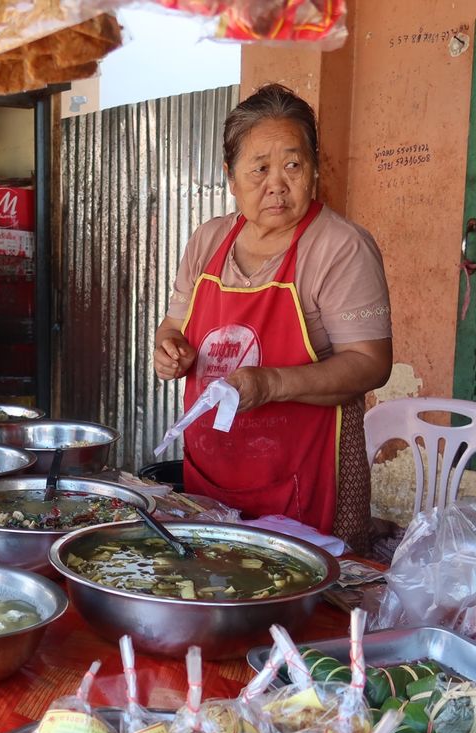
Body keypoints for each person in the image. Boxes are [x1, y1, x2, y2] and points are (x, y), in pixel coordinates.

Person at [154, 84, 392, 553]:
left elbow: (370, 363)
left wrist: (270, 385)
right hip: (213, 468)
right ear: (231, 176)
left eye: (293, 165)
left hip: (306, 472)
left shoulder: (340, 247)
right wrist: (170, 349)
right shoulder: (208, 240)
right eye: (260, 168)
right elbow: (173, 323)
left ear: (315, 169)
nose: (277, 184)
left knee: (305, 608)